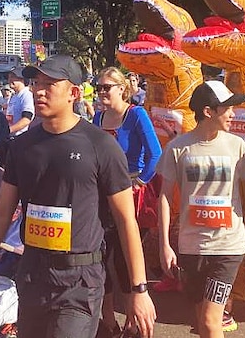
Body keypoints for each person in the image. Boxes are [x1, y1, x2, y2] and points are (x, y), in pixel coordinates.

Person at [0, 55, 157, 338]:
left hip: (79, 281)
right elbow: (0, 215)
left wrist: (139, 290)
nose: (39, 90)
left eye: (50, 84)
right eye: (36, 82)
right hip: (32, 275)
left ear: (74, 93)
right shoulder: (23, 147)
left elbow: (126, 221)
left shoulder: (100, 146)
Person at [157, 80, 245, 338]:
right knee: (200, 320)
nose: (232, 113)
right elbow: (164, 197)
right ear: (208, 112)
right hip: (191, 248)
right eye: (227, 108)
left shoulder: (237, 147)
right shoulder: (178, 148)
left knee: (210, 321)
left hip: (228, 248)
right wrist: (164, 245)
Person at [92, 66, 162, 336]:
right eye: (98, 87)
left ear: (122, 89)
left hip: (132, 194)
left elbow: (155, 153)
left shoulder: (136, 115)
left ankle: (135, 320)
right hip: (103, 194)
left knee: (124, 258)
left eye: (106, 87)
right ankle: (108, 319)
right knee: (101, 256)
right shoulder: (97, 118)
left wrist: (140, 181)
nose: (101, 92)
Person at [6, 67, 34, 136]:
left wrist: (9, 130)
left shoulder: (26, 94)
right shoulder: (14, 95)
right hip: (11, 137)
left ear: (22, 79)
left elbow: (26, 119)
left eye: (13, 77)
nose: (10, 80)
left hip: (21, 137)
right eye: (9, 77)